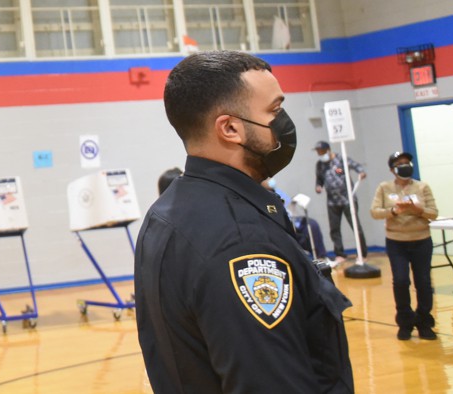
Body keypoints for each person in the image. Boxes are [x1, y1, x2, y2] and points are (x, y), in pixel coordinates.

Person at [134, 50, 353, 393]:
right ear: (231, 128)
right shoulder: (243, 242)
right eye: (274, 111)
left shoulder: (166, 212)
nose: (284, 123)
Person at [370, 151, 438, 340]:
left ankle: (424, 322)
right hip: (396, 242)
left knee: (423, 282)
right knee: (400, 281)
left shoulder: (422, 187)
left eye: (407, 162)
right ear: (392, 169)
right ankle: (405, 322)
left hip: (421, 240)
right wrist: (393, 211)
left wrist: (419, 210)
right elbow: (375, 212)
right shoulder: (384, 187)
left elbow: (433, 213)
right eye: (400, 163)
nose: (405, 165)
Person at [314, 140, 368, 264]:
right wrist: (318, 187)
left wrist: (361, 172)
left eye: (321, 151)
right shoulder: (320, 165)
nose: (320, 154)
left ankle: (362, 253)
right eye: (318, 152)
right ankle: (340, 254)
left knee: (356, 227)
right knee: (334, 229)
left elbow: (355, 165)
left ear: (328, 150)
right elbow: (319, 179)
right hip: (332, 202)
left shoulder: (340, 160)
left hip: (348, 199)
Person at [262, 178, 329, 262]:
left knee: (312, 224)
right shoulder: (262, 195)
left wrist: (295, 201)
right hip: (280, 224)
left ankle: (321, 258)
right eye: (267, 179)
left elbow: (288, 204)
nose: (270, 180)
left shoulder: (278, 192)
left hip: (293, 220)